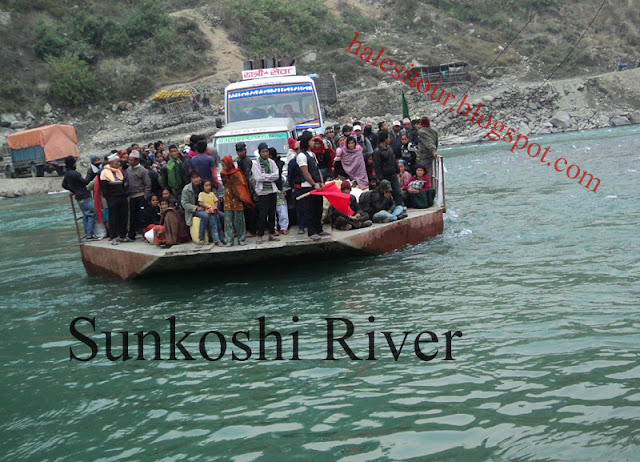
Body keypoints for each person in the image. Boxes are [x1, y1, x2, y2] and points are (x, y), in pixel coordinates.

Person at [296, 132, 327, 240]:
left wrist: (321, 182)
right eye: (312, 140)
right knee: (309, 210)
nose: (314, 142)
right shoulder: (301, 156)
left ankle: (319, 229)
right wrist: (313, 184)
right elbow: (306, 173)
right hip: (307, 186)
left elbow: (317, 170)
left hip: (317, 185)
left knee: (318, 209)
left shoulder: (312, 155)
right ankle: (311, 231)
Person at [62, 156, 98, 240]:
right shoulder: (75, 173)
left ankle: (88, 234)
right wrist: (89, 172)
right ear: (73, 164)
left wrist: (74, 191)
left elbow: (64, 185)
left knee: (86, 215)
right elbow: (85, 182)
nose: (76, 164)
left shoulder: (67, 174)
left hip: (79, 197)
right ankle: (90, 235)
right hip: (84, 196)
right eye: (75, 162)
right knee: (92, 214)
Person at [220, 155, 253, 246]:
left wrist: (242, 196)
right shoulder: (222, 173)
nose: (223, 167)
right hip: (227, 198)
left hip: (237, 199)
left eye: (224, 165)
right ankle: (229, 240)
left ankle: (241, 239)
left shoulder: (237, 173)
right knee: (228, 221)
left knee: (239, 220)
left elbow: (241, 185)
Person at [251, 143, 280, 244]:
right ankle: (260, 236)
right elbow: (258, 177)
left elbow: (276, 175)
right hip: (262, 192)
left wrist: (266, 176)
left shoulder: (271, 162)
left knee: (272, 213)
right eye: (263, 151)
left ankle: (271, 234)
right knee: (262, 215)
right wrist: (269, 177)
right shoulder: (255, 163)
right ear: (259, 153)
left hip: (272, 190)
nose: (265, 153)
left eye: (266, 151)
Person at [100, 153, 129, 244]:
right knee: (113, 218)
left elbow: (123, 184)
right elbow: (104, 189)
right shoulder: (104, 173)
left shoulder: (118, 171)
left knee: (123, 217)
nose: (118, 164)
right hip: (112, 199)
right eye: (117, 162)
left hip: (122, 197)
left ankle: (123, 235)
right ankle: (113, 237)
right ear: (111, 162)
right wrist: (109, 199)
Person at [373, 131, 404, 207]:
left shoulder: (389, 148)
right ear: (385, 139)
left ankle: (400, 207)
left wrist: (398, 170)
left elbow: (394, 160)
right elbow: (377, 166)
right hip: (385, 176)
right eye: (388, 137)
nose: (390, 139)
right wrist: (380, 178)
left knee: (397, 192)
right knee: (387, 194)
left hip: (393, 174)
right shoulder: (378, 152)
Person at [127, 150, 151, 241]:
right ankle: (132, 235)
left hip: (141, 196)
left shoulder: (142, 170)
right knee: (133, 217)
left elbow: (147, 184)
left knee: (143, 216)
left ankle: (146, 234)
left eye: (131, 160)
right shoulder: (129, 170)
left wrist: (145, 196)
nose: (129, 162)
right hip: (132, 196)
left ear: (137, 161)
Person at [181, 170, 210, 245]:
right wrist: (196, 208)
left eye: (197, 177)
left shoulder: (204, 186)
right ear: (191, 179)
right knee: (205, 216)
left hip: (207, 208)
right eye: (193, 178)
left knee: (221, 215)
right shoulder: (187, 189)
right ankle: (201, 239)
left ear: (200, 178)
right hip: (193, 212)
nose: (196, 179)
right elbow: (184, 204)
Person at [235, 142, 257, 238]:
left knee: (250, 211)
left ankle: (252, 230)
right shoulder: (240, 161)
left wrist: (246, 190)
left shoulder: (246, 161)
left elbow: (247, 177)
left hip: (247, 188)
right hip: (242, 188)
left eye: (241, 151)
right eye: (238, 151)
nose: (240, 153)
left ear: (245, 150)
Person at [269, 147, 289, 235]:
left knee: (280, 209)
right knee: (274, 210)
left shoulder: (278, 164)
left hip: (276, 189)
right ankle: (277, 228)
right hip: (271, 189)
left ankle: (281, 227)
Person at [198, 180, 223, 245]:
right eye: (206, 186)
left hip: (215, 212)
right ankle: (216, 240)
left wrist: (215, 207)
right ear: (203, 186)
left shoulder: (212, 194)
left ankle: (222, 239)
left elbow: (216, 201)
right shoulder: (201, 194)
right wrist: (206, 206)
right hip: (209, 213)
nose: (208, 187)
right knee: (214, 227)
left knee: (219, 226)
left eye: (209, 185)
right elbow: (200, 202)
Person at [417, 115, 439, 183]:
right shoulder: (434, 131)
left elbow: (429, 143)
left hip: (424, 156)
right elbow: (436, 142)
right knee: (430, 172)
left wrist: (434, 151)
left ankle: (426, 188)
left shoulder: (421, 132)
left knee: (425, 174)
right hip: (431, 155)